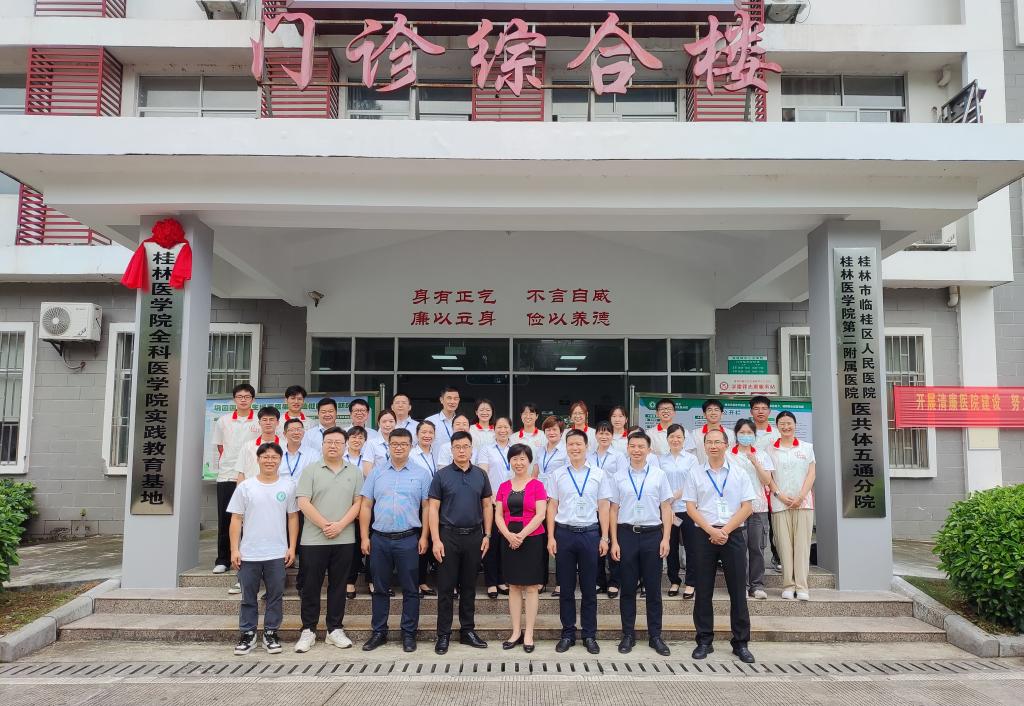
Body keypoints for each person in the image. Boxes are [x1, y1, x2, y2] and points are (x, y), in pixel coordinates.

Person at [683, 428, 756, 664]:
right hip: (703, 535)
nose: (713, 446)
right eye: (709, 442)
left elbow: (747, 507)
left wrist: (724, 531)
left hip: (732, 534)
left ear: (726, 444)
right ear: (704, 446)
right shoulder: (695, 473)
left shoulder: (739, 472)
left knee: (738, 590)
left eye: (717, 442)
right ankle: (704, 640)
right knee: (703, 590)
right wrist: (711, 530)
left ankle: (741, 642)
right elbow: (690, 507)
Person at [359, 428, 432, 653]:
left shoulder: (422, 474)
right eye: (395, 444)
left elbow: (427, 507)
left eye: (404, 444)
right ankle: (379, 632)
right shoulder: (377, 472)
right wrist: (364, 536)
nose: (399, 447)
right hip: (379, 540)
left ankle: (408, 633)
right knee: (380, 589)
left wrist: (425, 536)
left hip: (408, 539)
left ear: (411, 446)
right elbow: (366, 505)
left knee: (411, 589)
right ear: (388, 446)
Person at [293, 427, 363, 654]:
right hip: (314, 540)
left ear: (345, 445)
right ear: (322, 445)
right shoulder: (310, 470)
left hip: (344, 538)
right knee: (310, 586)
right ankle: (308, 630)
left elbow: (358, 503)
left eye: (338, 442)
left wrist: (340, 525)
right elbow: (303, 502)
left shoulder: (355, 471)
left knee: (339, 586)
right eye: (329, 442)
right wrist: (325, 524)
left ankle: (335, 629)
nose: (333, 446)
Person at [228, 441, 298, 656]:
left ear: (280, 460)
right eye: (265, 457)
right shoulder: (245, 487)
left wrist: (292, 547)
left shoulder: (288, 486)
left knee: (275, 596)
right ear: (258, 460)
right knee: (248, 597)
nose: (269, 460)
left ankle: (271, 633)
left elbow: (293, 517)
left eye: (274, 457)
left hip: (277, 553)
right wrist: (234, 549)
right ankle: (248, 634)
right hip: (249, 553)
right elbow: (236, 519)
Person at [608, 431, 674, 656]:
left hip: (652, 535)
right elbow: (613, 509)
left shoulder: (658, 475)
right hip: (626, 534)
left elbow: (666, 507)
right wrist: (614, 541)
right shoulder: (618, 476)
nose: (636, 450)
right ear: (627, 448)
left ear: (648, 450)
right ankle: (628, 634)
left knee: (653, 589)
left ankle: (655, 636)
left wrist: (666, 538)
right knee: (627, 588)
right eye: (633, 446)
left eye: (641, 446)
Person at [428, 430, 493, 655]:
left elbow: (487, 505)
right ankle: (443, 634)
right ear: (452, 450)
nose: (462, 451)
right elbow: (433, 509)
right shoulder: (441, 475)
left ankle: (467, 631)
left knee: (469, 587)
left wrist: (487, 535)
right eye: (457, 447)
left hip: (474, 536)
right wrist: (435, 539)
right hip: (448, 536)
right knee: (446, 588)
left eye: (466, 446)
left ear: (471, 449)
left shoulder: (481, 475)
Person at [548, 429, 612, 654]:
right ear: (566, 448)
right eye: (571, 444)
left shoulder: (598, 474)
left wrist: (605, 537)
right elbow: (552, 506)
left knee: (589, 589)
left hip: (590, 534)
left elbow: (604, 506)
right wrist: (551, 537)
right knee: (565, 588)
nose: (575, 448)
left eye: (579, 444)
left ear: (587, 447)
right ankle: (567, 633)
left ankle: (589, 634)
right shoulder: (557, 474)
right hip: (564, 534)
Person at [494, 443, 546, 653]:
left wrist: (522, 535)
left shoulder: (537, 485)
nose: (518, 462)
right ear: (510, 461)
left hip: (531, 538)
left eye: (523, 458)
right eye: (514, 459)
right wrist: (508, 535)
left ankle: (529, 633)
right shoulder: (503, 486)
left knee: (531, 587)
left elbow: (540, 514)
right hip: (509, 539)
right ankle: (516, 631)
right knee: (514, 586)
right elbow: (498, 515)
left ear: (529, 461)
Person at [765, 411, 815, 601]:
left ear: (795, 425)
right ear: (777, 426)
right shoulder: (770, 449)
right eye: (782, 424)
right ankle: (788, 585)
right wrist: (779, 494)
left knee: (802, 545)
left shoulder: (807, 447)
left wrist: (801, 496)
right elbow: (768, 477)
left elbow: (811, 474)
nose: (786, 427)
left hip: (803, 503)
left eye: (789, 423)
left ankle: (802, 586)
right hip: (780, 503)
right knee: (784, 545)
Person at [211, 383, 259, 574]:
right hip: (227, 475)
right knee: (226, 518)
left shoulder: (259, 420)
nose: (243, 400)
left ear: (253, 399)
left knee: (250, 520)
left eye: (247, 397)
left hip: (252, 476)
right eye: (240, 396)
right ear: (234, 399)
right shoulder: (223, 421)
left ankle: (247, 558)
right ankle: (223, 559)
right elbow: (220, 447)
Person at [731, 418, 775, 601]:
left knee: (757, 547)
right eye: (742, 432)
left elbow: (767, 481)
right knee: (738, 549)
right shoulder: (728, 454)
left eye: (749, 433)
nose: (746, 436)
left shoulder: (762, 455)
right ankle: (741, 585)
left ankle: (756, 585)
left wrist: (756, 462)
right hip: (736, 509)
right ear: (736, 434)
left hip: (758, 507)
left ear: (754, 435)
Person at [660, 423, 701, 600]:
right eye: (672, 437)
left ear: (684, 439)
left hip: (687, 508)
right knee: (671, 546)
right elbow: (659, 483)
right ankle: (674, 581)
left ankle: (691, 582)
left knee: (692, 547)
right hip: (668, 510)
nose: (675, 440)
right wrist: (667, 502)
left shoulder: (691, 459)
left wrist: (673, 496)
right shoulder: (661, 460)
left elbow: (693, 482)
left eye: (679, 437)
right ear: (667, 439)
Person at [478, 417, 514, 598]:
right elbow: (483, 473)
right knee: (491, 542)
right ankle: (491, 582)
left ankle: (502, 580)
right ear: (494, 429)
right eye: (499, 427)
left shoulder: (515, 449)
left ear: (511, 429)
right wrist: (490, 495)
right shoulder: (486, 449)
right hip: (491, 500)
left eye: (506, 427)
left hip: (512, 502)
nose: (502, 430)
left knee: (505, 543)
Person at [590, 421, 626, 598]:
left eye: (607, 433)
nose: (604, 436)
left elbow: (623, 479)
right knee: (596, 543)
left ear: (612, 436)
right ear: (596, 435)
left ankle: (614, 581)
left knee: (613, 541)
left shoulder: (618, 456)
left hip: (612, 504)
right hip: (593, 504)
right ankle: (599, 580)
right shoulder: (589, 455)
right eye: (601, 433)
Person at [750, 395, 782, 572]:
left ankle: (777, 556)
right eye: (756, 408)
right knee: (754, 524)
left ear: (769, 411)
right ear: (751, 411)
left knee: (774, 522)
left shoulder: (777, 433)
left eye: (764, 408)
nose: (760, 411)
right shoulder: (746, 432)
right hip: (752, 484)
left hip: (774, 482)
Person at [535, 415, 566, 593]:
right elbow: (536, 472)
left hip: (558, 500)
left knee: (558, 541)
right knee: (541, 542)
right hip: (540, 499)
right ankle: (541, 580)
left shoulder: (565, 450)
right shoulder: (540, 450)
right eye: (548, 429)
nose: (551, 432)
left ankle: (561, 582)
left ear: (561, 432)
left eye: (554, 429)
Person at [343, 426, 375, 598]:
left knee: (372, 543)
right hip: (346, 507)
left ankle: (372, 580)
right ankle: (350, 582)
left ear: (365, 441)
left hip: (368, 505)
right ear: (347, 440)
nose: (357, 440)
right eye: (353, 437)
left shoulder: (369, 459)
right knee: (353, 546)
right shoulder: (341, 458)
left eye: (360, 437)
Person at [407, 419, 439, 595]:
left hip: (436, 502)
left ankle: (424, 580)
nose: (427, 435)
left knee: (431, 541)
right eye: (423, 432)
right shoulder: (411, 454)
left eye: (430, 432)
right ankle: (416, 582)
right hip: (417, 504)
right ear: (417, 435)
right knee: (419, 541)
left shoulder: (437, 453)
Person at [685, 399, 736, 465]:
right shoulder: (694, 434)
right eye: (709, 410)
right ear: (704, 414)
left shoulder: (731, 434)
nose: (713, 413)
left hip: (725, 470)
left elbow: (733, 456)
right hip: (701, 470)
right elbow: (690, 456)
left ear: (722, 414)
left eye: (716, 410)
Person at [425, 386, 461, 457]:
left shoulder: (462, 422)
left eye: (455, 399)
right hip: (436, 462)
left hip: (458, 462)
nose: (452, 402)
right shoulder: (430, 421)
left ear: (459, 400)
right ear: (441, 400)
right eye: (449, 398)